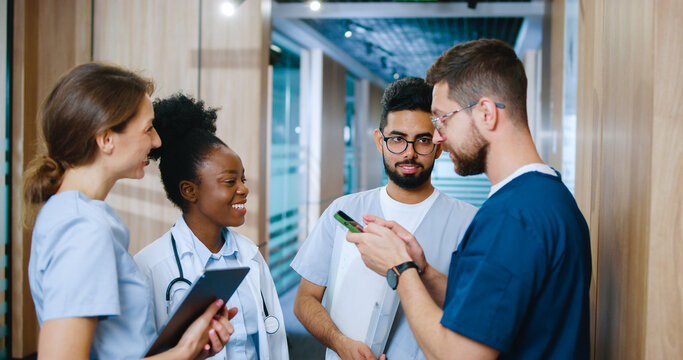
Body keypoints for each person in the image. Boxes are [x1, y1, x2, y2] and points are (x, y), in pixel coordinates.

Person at [347, 39, 592, 359]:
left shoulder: (509, 218)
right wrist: (422, 271)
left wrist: (400, 268)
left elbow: (459, 354)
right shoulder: (549, 195)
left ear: (486, 113)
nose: (436, 137)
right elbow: (496, 308)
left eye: (442, 119)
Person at [24, 63, 234, 359]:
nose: (157, 141)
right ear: (106, 138)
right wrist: (184, 352)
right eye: (148, 129)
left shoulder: (75, 215)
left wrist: (188, 348)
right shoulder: (82, 227)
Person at [291, 77, 478, 360]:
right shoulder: (343, 212)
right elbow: (305, 300)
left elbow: (476, 310)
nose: (409, 153)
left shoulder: (470, 223)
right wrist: (340, 343)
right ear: (380, 141)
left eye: (423, 140)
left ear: (439, 145)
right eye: (398, 139)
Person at [134, 94, 289, 360]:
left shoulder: (250, 255)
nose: (244, 189)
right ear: (189, 190)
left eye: (243, 178)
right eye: (230, 182)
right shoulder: (150, 267)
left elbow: (275, 343)